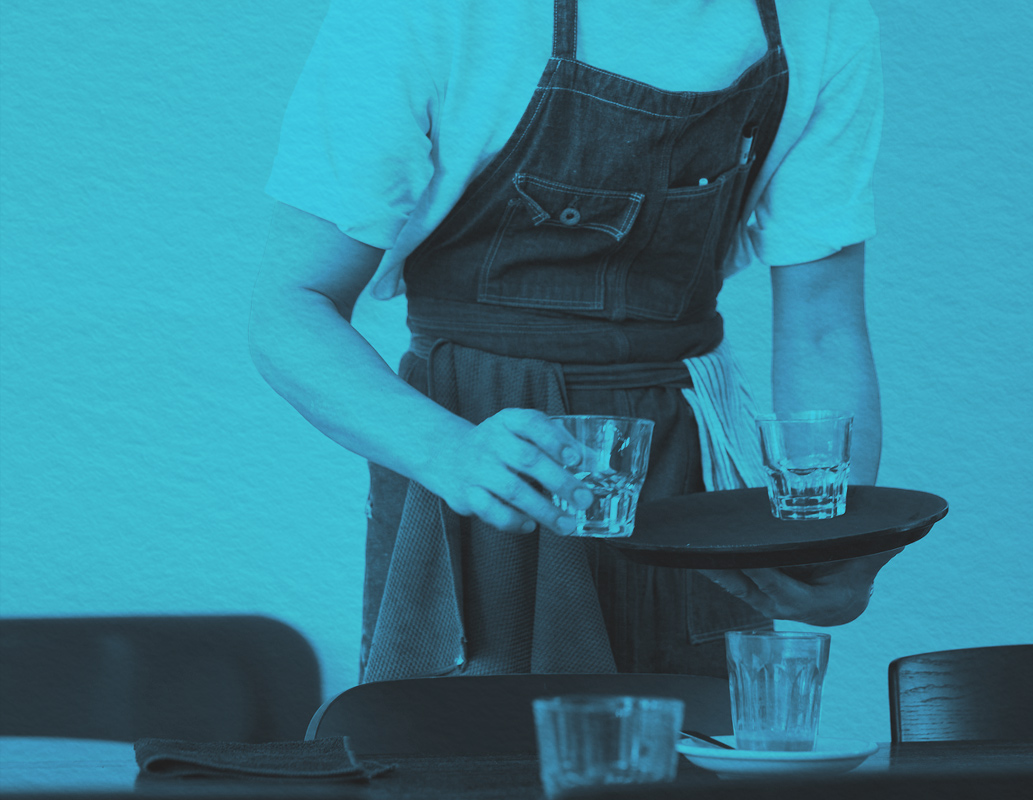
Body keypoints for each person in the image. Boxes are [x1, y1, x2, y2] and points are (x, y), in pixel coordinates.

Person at [249, 0, 898, 682]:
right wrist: (449, 451)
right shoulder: (425, 12)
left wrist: (838, 541)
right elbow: (291, 307)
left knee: (694, 739)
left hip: (690, 468)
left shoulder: (825, 18)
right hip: (480, 447)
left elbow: (822, 324)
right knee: (468, 737)